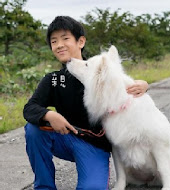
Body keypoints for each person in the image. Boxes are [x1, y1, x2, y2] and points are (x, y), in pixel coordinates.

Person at [23, 16, 148, 190]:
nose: (59, 45)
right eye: (54, 41)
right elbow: (30, 108)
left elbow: (125, 85)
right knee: (34, 129)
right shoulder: (53, 80)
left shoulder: (99, 72)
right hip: (65, 139)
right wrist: (49, 114)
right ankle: (44, 187)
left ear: (81, 41)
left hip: (94, 146)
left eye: (65, 38)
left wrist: (142, 84)